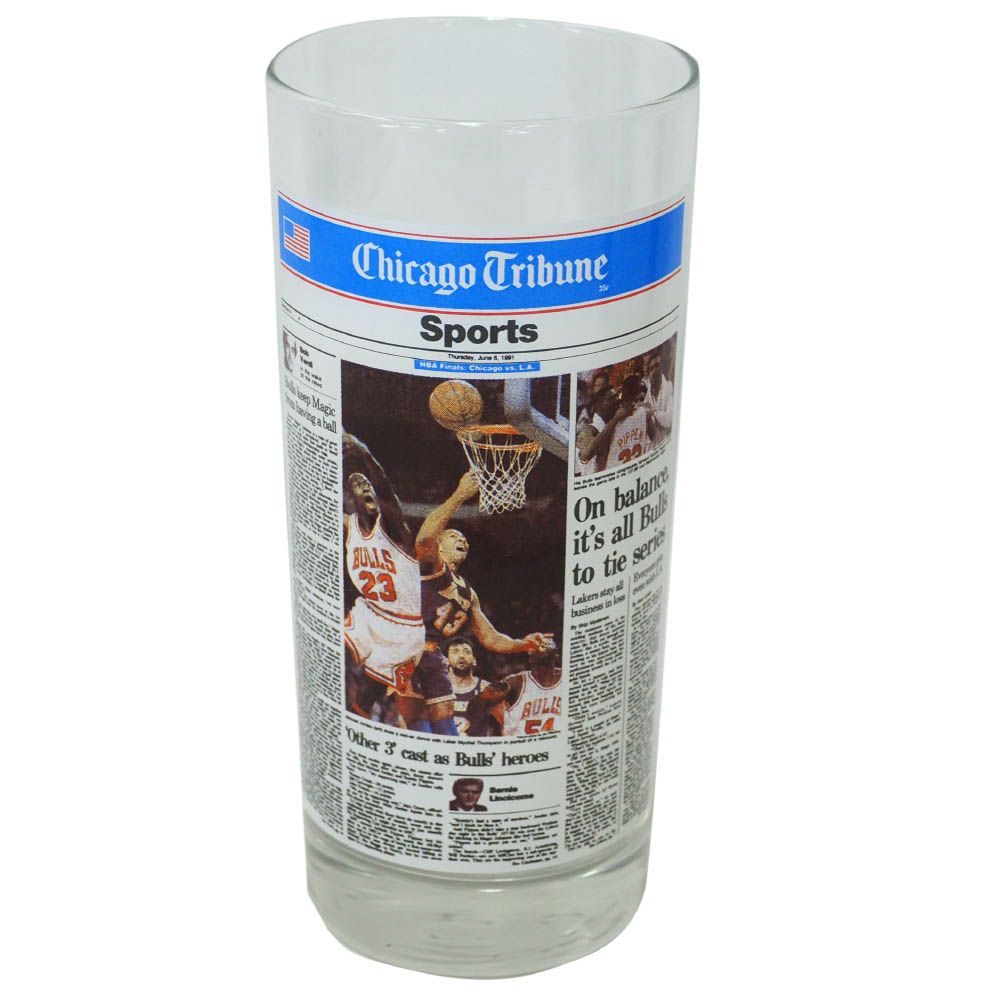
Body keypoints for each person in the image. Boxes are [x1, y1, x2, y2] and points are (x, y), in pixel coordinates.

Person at [342, 433, 458, 736]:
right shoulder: (350, 526)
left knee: (366, 697)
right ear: (351, 498)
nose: (366, 487)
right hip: (370, 614)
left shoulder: (394, 527)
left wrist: (364, 453)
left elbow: (384, 488)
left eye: (367, 484)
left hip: (402, 628)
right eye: (359, 485)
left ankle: (362, 727)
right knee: (335, 652)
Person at [471, 639, 563, 737]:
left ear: (557, 654)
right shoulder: (515, 682)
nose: (542, 645)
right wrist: (485, 696)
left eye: (547, 643)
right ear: (530, 657)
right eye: (537, 645)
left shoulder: (567, 677)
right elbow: (473, 711)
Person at [444, 638, 499, 737]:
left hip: (475, 745)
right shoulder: (437, 688)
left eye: (467, 652)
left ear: (474, 661)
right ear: (446, 661)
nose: (461, 655)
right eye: (455, 651)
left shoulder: (485, 688)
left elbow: (504, 723)